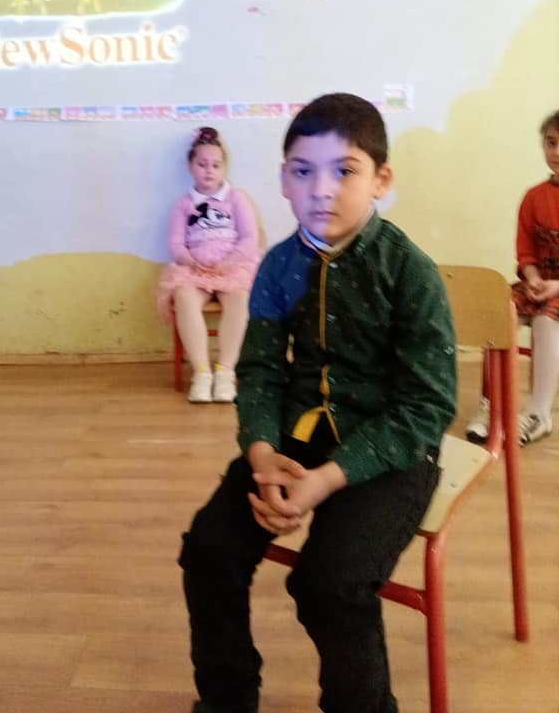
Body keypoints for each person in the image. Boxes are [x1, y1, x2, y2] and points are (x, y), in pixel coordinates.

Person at [179, 93, 457, 713]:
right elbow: (258, 371)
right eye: (303, 171)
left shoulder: (408, 271)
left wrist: (328, 480)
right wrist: (261, 452)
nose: (321, 189)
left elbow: (426, 405)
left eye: (344, 171)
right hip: (294, 440)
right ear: (283, 179)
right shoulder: (279, 266)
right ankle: (227, 700)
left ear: (381, 179)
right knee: (209, 551)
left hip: (392, 450)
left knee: (330, 584)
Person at [466, 109, 559, 446]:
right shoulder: (534, 197)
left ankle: (539, 413)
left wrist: (555, 286)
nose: (556, 152)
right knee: (499, 309)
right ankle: (492, 405)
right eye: (551, 142)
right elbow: (526, 250)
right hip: (539, 283)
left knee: (547, 319)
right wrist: (532, 276)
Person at [157, 126, 261, 403]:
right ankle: (202, 373)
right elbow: (176, 243)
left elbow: (249, 238)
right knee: (184, 297)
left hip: (232, 267)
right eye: (202, 164)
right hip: (195, 270)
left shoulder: (236, 198)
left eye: (215, 165)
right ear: (190, 166)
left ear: (224, 167)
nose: (209, 171)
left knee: (240, 300)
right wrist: (190, 261)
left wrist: (230, 261)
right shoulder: (184, 204)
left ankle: (225, 371)